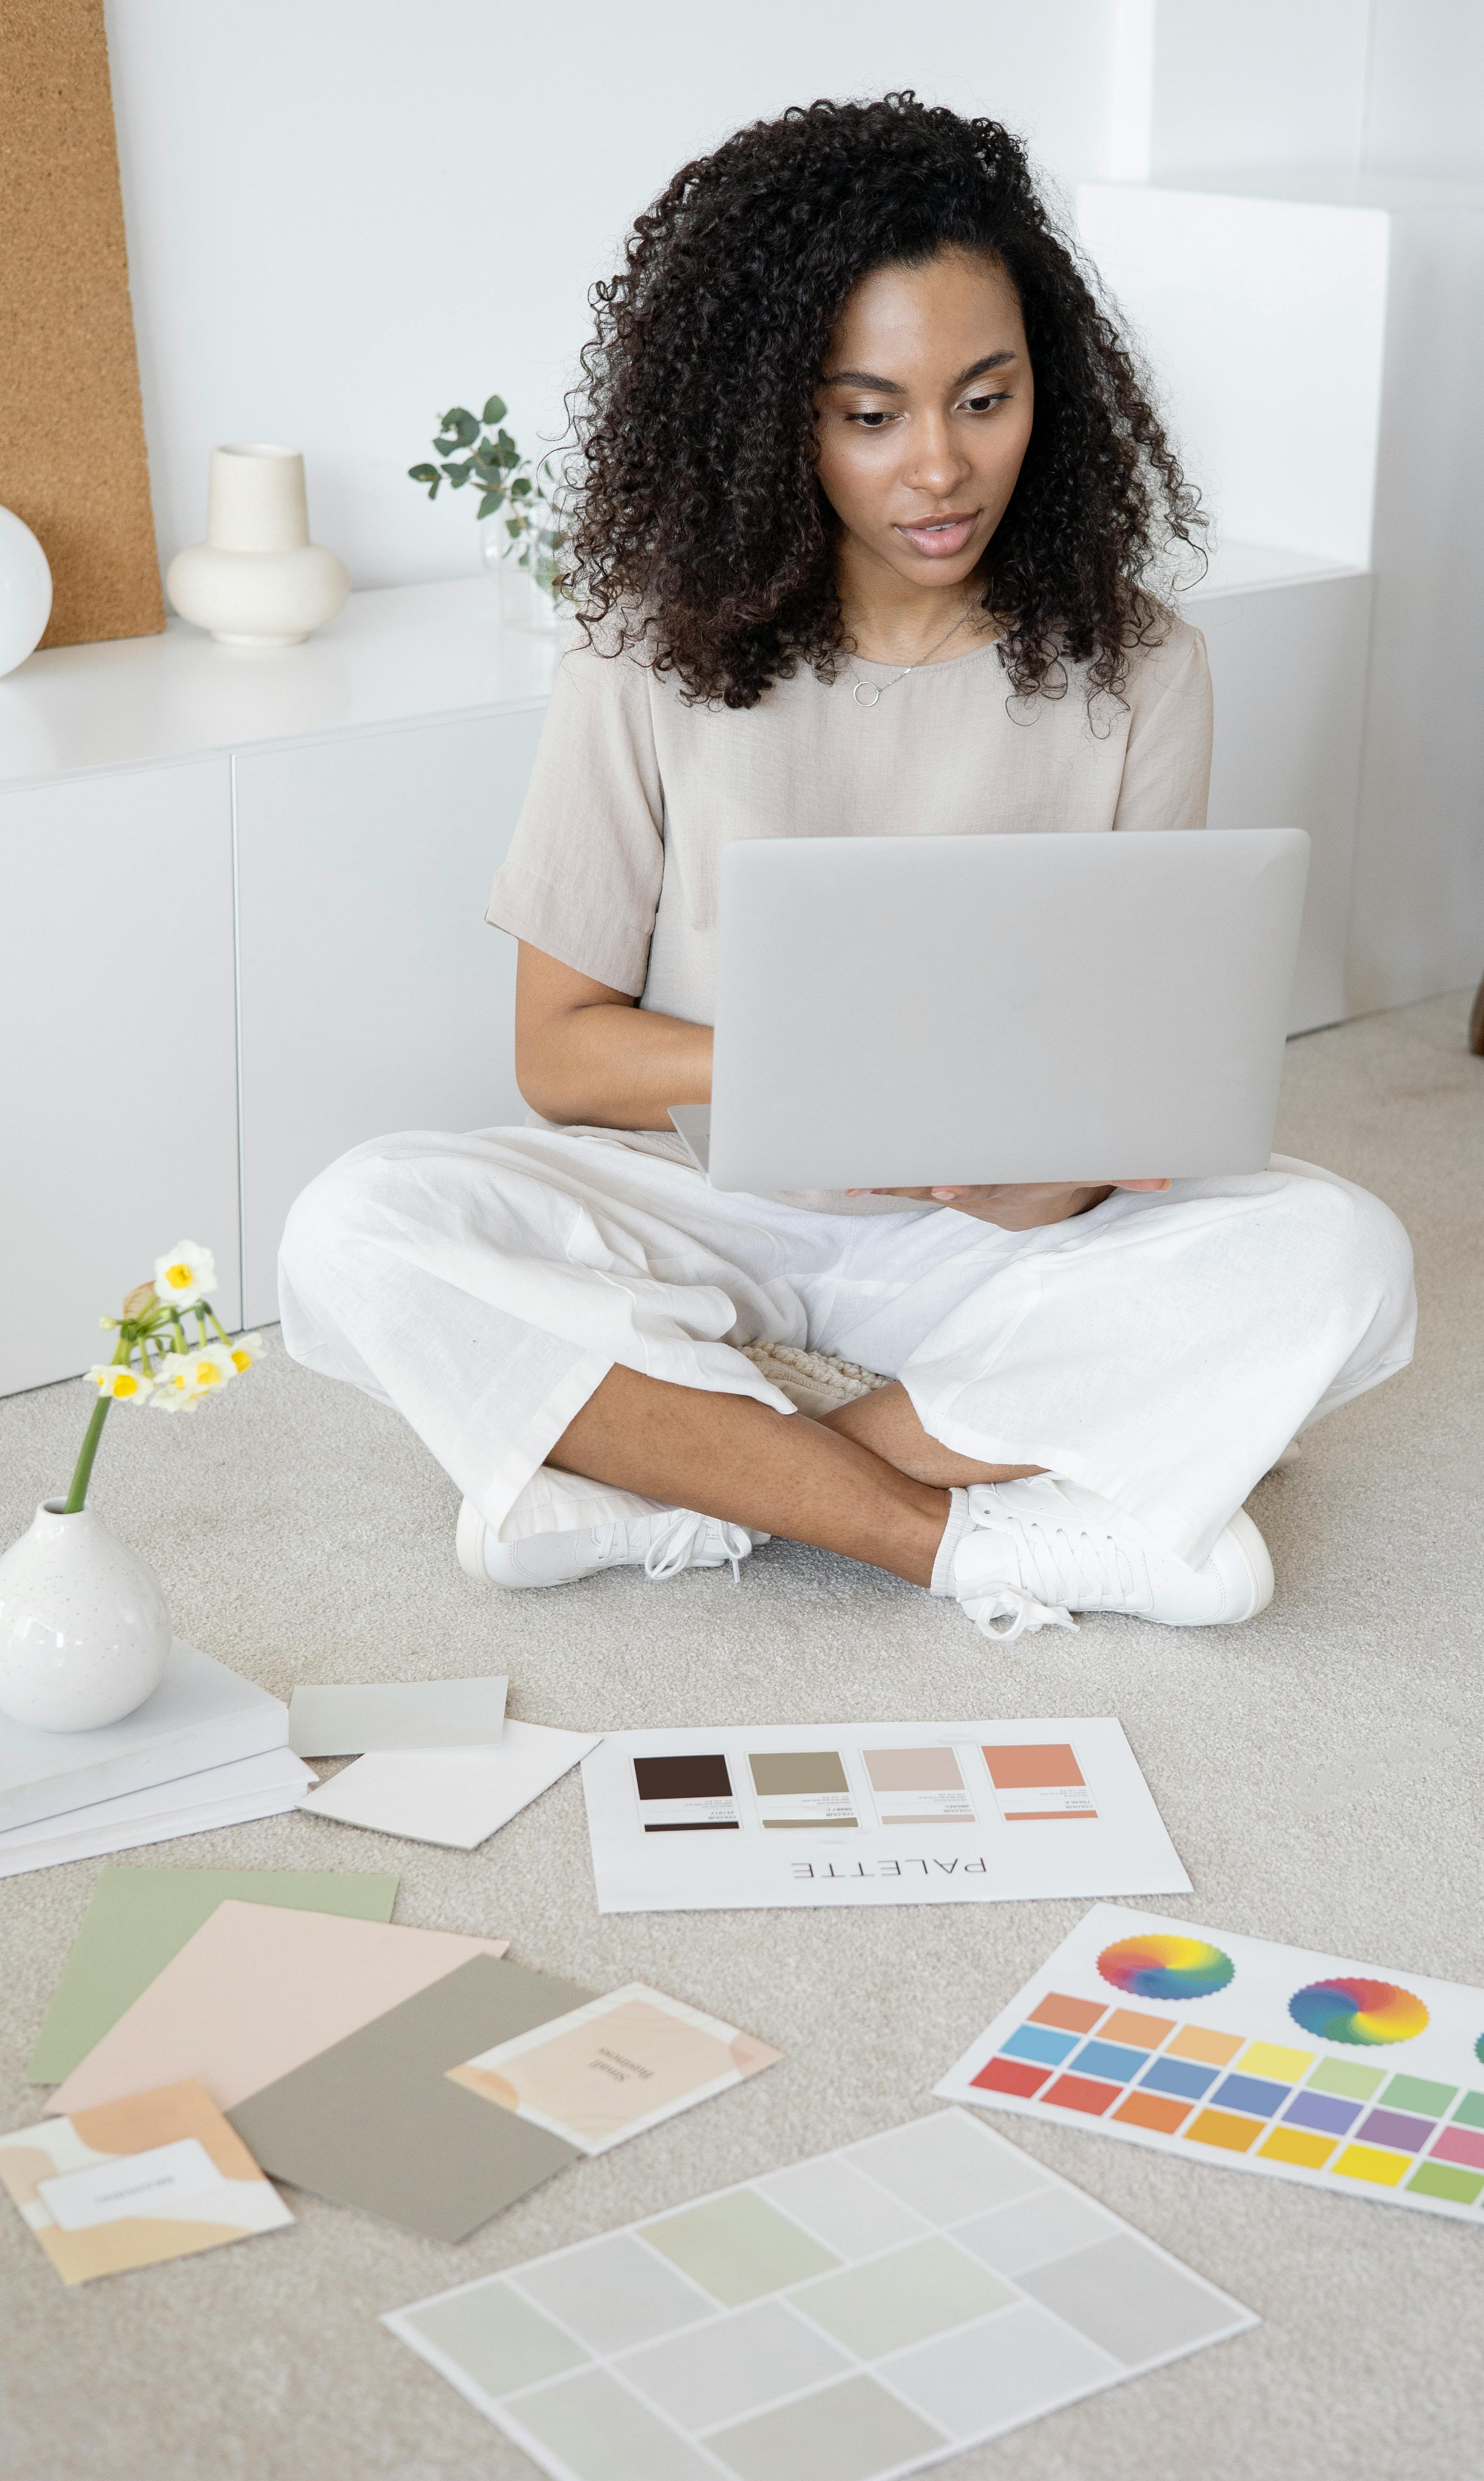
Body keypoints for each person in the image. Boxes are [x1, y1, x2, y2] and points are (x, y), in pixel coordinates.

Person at [279, 94, 1414, 1642]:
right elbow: (559, 1056)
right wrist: (816, 1082)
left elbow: (1142, 1069)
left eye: (984, 399)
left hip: (990, 1242)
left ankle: (678, 1484)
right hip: (703, 1203)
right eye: (867, 414)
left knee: (1339, 1257)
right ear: (772, 417)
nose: (938, 469)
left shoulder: (1142, 668)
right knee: (354, 1225)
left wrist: (1053, 1168)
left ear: (1050, 393)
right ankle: (955, 1544)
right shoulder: (642, 655)